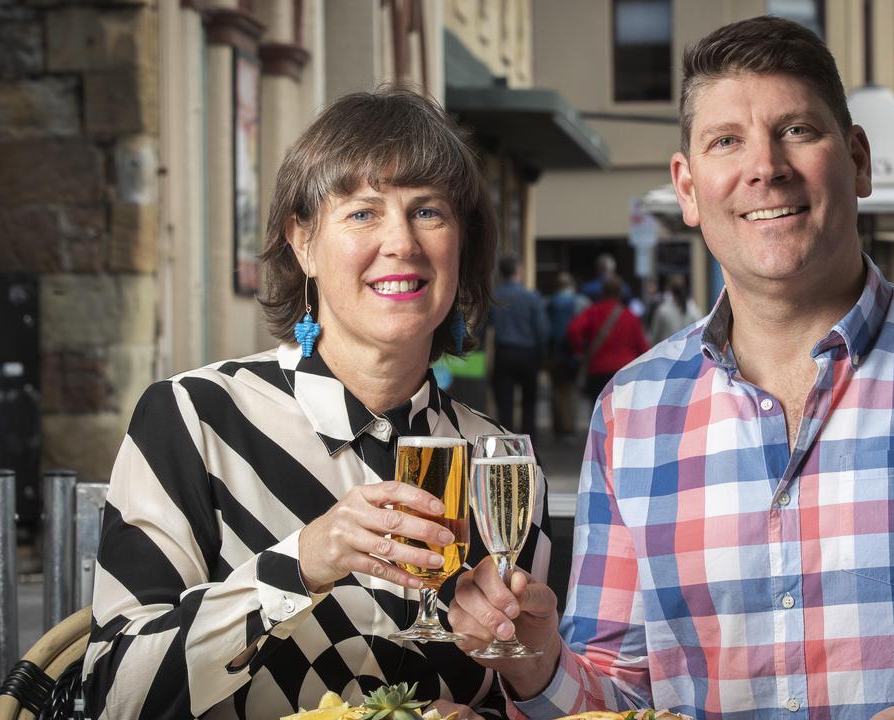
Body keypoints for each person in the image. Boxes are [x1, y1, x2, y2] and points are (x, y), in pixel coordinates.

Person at [449, 16, 894, 720]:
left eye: (797, 130)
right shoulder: (631, 411)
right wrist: (538, 661)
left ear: (857, 159)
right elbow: (621, 691)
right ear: (689, 187)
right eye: (726, 141)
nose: (765, 167)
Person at [82, 88, 551, 719]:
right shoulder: (195, 418)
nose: (402, 243)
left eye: (429, 212)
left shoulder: (499, 467)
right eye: (362, 213)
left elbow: (524, 698)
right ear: (303, 242)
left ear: (461, 247)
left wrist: (533, 666)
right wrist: (301, 564)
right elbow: (114, 692)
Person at [488, 254, 549, 435]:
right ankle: (529, 442)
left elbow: (486, 325)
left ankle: (507, 441)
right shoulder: (531, 297)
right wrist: (543, 354)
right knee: (529, 401)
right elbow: (542, 329)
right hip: (528, 353)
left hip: (504, 352)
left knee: (504, 402)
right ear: (518, 271)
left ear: (501, 273)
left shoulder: (495, 297)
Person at [565, 275, 649, 401]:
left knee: (598, 412)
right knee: (621, 412)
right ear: (620, 293)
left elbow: (573, 330)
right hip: (624, 372)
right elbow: (643, 347)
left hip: (598, 370)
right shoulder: (630, 317)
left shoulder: (592, 311)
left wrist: (580, 350)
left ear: (602, 292)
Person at [545, 272, 588, 441]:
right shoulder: (580, 302)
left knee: (556, 390)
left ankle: (558, 426)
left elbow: (544, 329)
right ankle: (569, 426)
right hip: (573, 354)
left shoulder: (548, 303)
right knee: (572, 391)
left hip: (555, 354)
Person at [647, 273, 701, 345]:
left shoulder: (663, 310)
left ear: (670, 289)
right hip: (688, 352)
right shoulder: (693, 308)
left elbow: (654, 337)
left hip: (668, 352)